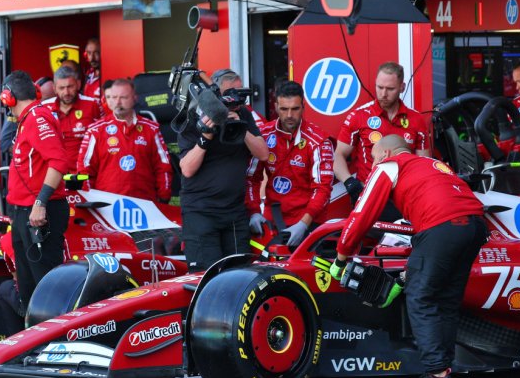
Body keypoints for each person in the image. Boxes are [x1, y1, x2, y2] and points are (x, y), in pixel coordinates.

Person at [331, 135, 486, 378]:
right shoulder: (431, 163)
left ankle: (436, 375)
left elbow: (362, 213)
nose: (373, 163)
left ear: (387, 152)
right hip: (475, 225)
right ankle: (444, 370)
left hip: (442, 226)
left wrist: (341, 255)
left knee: (420, 296)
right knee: (446, 299)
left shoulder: (390, 165)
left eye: (374, 157)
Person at [177, 69, 269, 271]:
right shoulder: (193, 115)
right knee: (207, 277)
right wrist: (206, 135)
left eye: (239, 92)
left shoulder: (243, 113)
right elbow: (187, 169)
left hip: (234, 212)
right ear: (215, 92)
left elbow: (263, 154)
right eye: (230, 93)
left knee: (239, 274)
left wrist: (240, 126)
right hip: (201, 212)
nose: (234, 98)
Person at [2, 70, 69, 313]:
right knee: (29, 288)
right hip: (24, 213)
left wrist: (40, 203)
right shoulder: (27, 119)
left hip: (39, 213)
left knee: (45, 288)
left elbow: (59, 161)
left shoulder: (37, 118)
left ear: (7, 97)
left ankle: (54, 342)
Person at [247, 81, 334, 249]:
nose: (289, 115)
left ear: (303, 107)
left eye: (295, 109)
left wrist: (304, 224)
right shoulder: (264, 136)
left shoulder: (319, 141)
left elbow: (323, 188)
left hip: (308, 224)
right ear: (275, 106)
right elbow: (251, 178)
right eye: (284, 109)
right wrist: (254, 212)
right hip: (272, 222)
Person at [333, 62, 431, 204]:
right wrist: (349, 182)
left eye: (390, 89)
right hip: (367, 193)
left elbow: (424, 164)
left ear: (402, 87)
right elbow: (338, 155)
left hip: (404, 196)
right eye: (380, 87)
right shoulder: (359, 116)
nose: (383, 94)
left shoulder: (417, 120)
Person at [78, 77, 172, 202]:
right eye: (114, 97)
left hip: (145, 207)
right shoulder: (95, 130)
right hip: (106, 208)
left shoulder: (151, 129)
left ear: (134, 98)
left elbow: (163, 166)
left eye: (123, 97)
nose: (118, 102)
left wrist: (163, 197)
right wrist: (90, 201)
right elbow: (84, 170)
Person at [41, 65, 102, 172]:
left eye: (70, 87)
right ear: (54, 88)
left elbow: (102, 139)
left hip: (85, 172)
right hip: (54, 174)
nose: (66, 92)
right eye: (61, 88)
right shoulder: (43, 108)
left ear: (78, 85)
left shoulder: (92, 105)